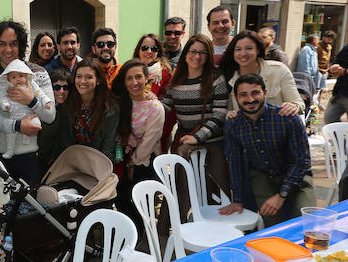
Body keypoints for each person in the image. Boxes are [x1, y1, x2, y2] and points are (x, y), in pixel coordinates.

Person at [221, 74, 315, 227]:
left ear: (265, 93)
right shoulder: (233, 124)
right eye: (243, 94)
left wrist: (281, 195)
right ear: (236, 97)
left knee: (307, 223)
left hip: (296, 178)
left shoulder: (287, 118)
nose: (250, 99)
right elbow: (234, 162)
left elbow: (302, 162)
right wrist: (237, 200)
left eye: (255, 93)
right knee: (272, 224)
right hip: (263, 177)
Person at [160, 34, 230, 217]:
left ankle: (210, 231)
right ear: (185, 53)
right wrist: (148, 106)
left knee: (209, 193)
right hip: (184, 141)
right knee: (180, 189)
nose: (197, 56)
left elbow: (220, 113)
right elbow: (166, 106)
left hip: (212, 145)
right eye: (193, 51)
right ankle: (178, 227)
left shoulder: (216, 78)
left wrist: (198, 137)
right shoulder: (177, 78)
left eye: (203, 53)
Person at [0, 20, 55, 187]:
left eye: (13, 44)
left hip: (30, 155)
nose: (8, 49)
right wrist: (17, 125)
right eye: (2, 44)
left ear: (21, 45)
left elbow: (50, 116)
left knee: (28, 207)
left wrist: (31, 100)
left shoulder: (38, 73)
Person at [111, 59, 165, 226]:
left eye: (138, 77)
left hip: (143, 163)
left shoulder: (155, 108)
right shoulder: (119, 102)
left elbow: (148, 143)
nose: (134, 82)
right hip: (121, 159)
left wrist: (132, 163)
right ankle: (126, 232)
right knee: (120, 199)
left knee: (139, 203)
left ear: (146, 78)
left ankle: (139, 236)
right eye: (129, 78)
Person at [219, 30, 303, 116]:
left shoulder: (279, 70)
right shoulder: (229, 76)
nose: (243, 53)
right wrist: (230, 114)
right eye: (238, 49)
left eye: (249, 48)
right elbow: (227, 109)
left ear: (258, 50)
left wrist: (294, 106)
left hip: (277, 126)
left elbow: (298, 103)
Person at [60, 57, 120, 160]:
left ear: (98, 80)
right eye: (79, 76)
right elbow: (65, 141)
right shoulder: (68, 103)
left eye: (89, 77)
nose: (82, 81)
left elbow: (108, 146)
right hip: (73, 161)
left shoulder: (110, 108)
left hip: (99, 163)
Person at [0, 59, 51, 159]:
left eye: (21, 76)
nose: (18, 79)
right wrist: (5, 105)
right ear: (8, 79)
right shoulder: (6, 87)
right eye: (14, 77)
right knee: (10, 134)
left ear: (26, 76)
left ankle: (26, 138)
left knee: (36, 124)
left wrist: (46, 101)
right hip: (14, 115)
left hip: (29, 114)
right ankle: (10, 150)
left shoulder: (31, 85)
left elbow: (39, 93)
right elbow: (1, 96)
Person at [38, 68, 72, 173]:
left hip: (57, 163)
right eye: (57, 87)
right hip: (37, 160)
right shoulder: (40, 108)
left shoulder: (68, 110)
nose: (61, 91)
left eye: (65, 88)